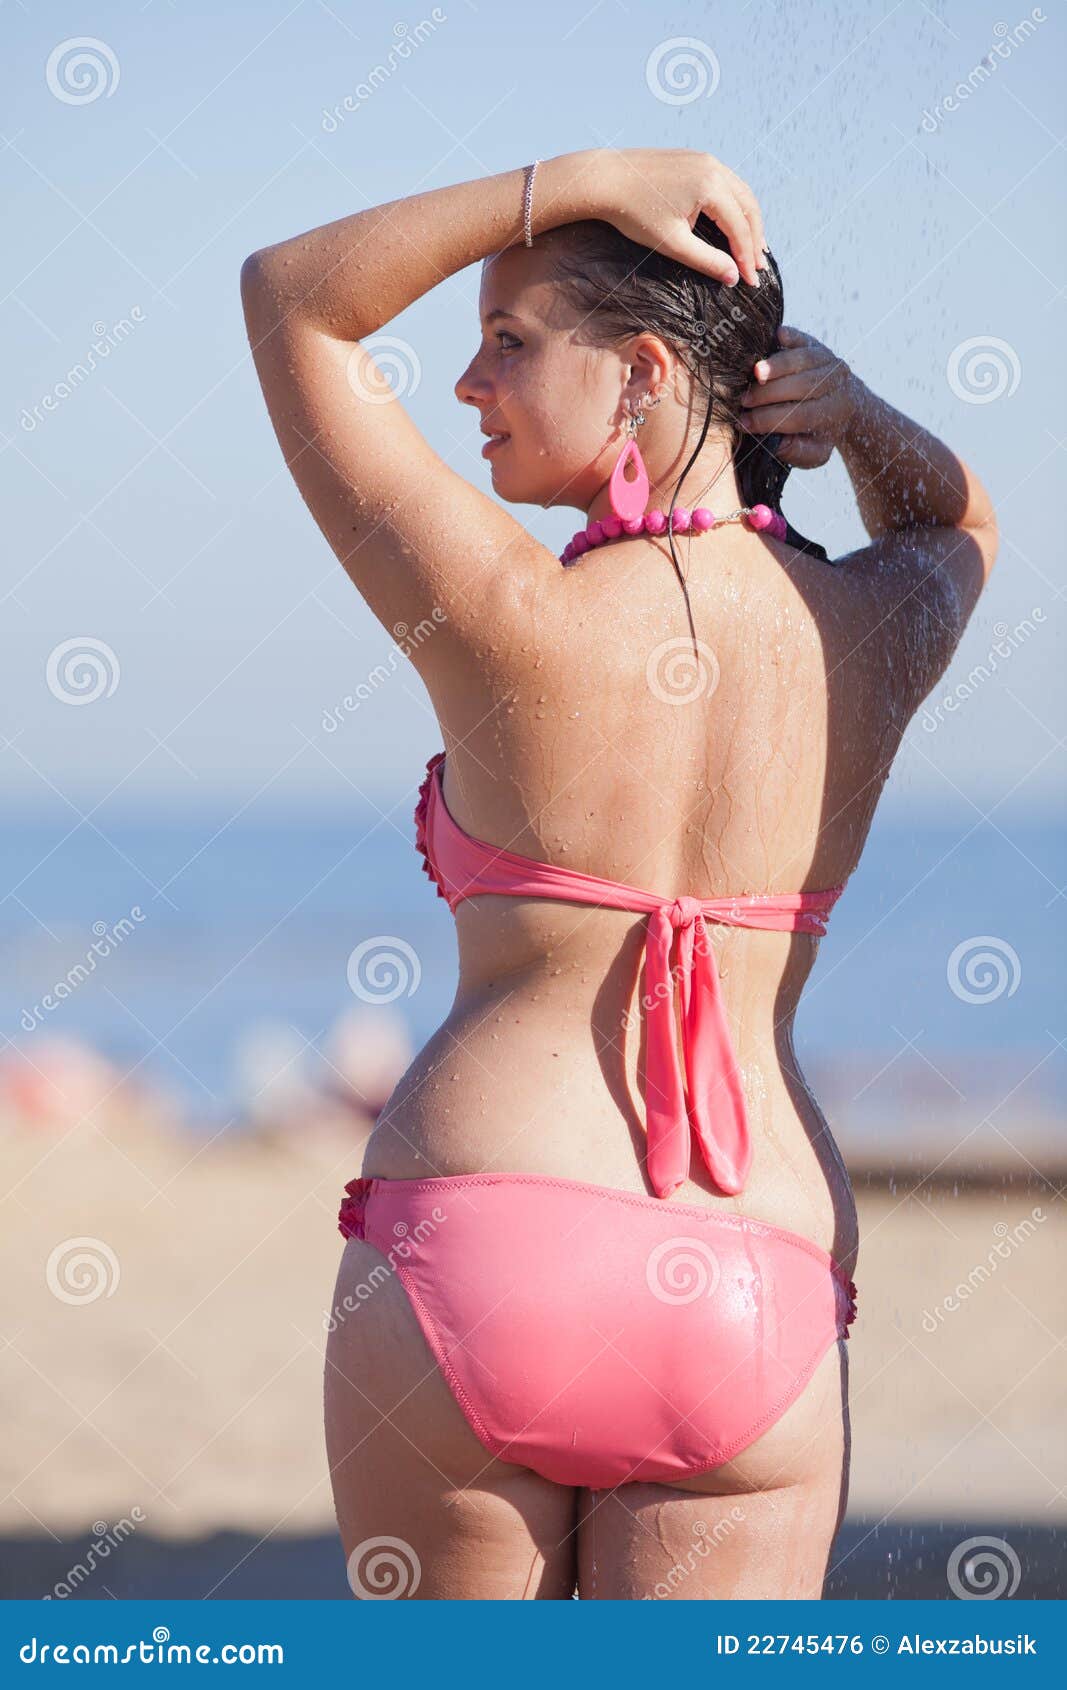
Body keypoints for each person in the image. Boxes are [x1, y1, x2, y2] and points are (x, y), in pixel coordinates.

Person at [241, 148, 997, 1600]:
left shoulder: (505, 611)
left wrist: (566, 179)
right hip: (749, 1284)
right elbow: (960, 524)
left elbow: (294, 303)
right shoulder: (871, 632)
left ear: (645, 370)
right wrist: (851, 415)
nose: (466, 385)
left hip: (479, 1256)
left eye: (506, 343)